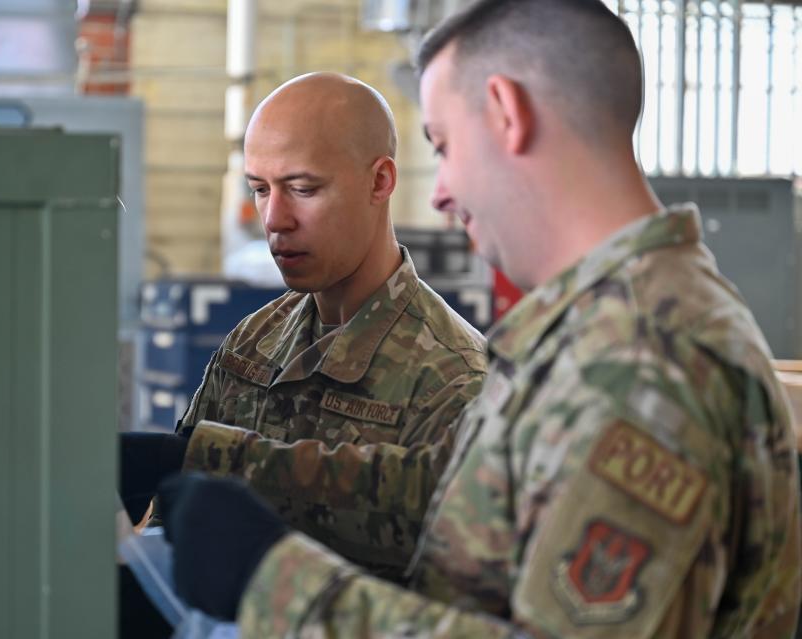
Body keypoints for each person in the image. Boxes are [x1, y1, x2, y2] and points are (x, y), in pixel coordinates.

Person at [151, 1, 802, 637]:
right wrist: (205, 457)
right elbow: (440, 490)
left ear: (506, 113)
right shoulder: (597, 330)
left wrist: (275, 583)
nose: (438, 190)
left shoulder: (642, 363)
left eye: (444, 144)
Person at [128, 72, 489, 578]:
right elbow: (174, 526)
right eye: (260, 189)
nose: (275, 219)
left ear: (380, 182)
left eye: (302, 188)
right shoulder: (252, 343)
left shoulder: (451, 380)